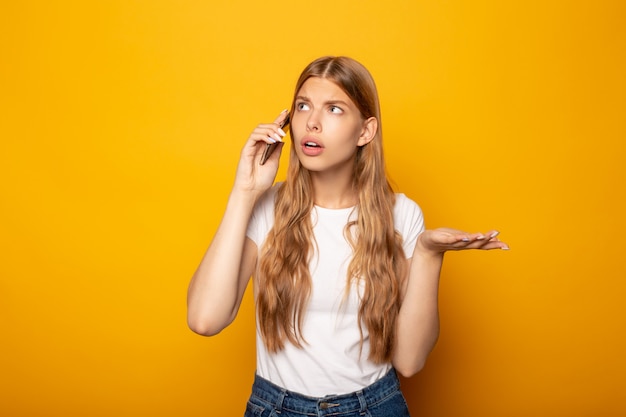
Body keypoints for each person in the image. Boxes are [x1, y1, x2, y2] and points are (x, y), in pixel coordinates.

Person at [187, 56, 509, 417]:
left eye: (334, 109)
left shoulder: (401, 214)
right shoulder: (267, 208)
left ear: (365, 131)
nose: (312, 122)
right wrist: (244, 192)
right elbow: (204, 319)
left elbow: (410, 360)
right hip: (276, 408)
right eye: (303, 106)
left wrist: (428, 254)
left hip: (374, 406)